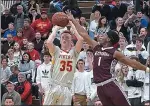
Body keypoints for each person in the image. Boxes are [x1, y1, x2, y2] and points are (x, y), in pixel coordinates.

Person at [66, 11, 150, 106]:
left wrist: (147, 69)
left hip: (110, 84)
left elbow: (133, 63)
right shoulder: (96, 46)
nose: (101, 35)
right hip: (99, 87)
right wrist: (72, 19)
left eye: (105, 35)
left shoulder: (115, 52)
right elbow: (83, 34)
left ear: (109, 39)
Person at [43, 21, 83, 105]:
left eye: (67, 37)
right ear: (60, 41)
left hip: (66, 87)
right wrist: (56, 29)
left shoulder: (74, 52)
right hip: (54, 85)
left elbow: (81, 39)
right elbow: (49, 42)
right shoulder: (56, 50)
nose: (65, 39)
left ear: (71, 41)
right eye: (63, 37)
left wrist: (72, 25)